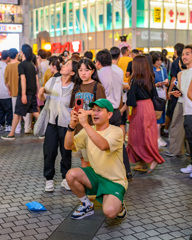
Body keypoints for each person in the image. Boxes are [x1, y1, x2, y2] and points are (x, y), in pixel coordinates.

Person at [64, 98, 128, 220]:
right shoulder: (89, 129)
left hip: (115, 181)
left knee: (110, 212)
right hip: (96, 176)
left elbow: (103, 145)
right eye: (93, 110)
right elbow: (68, 146)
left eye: (99, 110)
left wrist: (85, 124)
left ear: (109, 114)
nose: (95, 113)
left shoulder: (117, 131)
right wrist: (71, 126)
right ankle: (86, 205)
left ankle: (119, 205)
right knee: (71, 175)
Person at [38, 59, 78, 192]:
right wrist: (40, 94)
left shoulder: (75, 87)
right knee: (49, 151)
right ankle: (49, 179)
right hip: (52, 122)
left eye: (67, 65)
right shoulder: (53, 81)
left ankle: (66, 178)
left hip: (66, 123)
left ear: (72, 72)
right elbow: (44, 99)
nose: (63, 66)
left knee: (66, 152)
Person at [96, 49, 132, 180]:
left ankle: (107, 173)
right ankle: (126, 171)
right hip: (116, 110)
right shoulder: (118, 73)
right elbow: (122, 93)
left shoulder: (98, 75)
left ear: (98, 62)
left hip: (104, 111)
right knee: (118, 143)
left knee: (102, 143)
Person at [125, 55, 165, 173]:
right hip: (149, 107)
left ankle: (151, 160)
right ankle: (143, 163)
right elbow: (153, 94)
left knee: (136, 136)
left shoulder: (135, 80)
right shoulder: (150, 77)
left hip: (140, 109)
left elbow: (131, 100)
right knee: (146, 135)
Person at [69, 58, 106, 167]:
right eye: (80, 70)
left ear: (93, 71)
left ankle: (93, 182)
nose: (83, 73)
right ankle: (87, 182)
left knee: (93, 161)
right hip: (78, 129)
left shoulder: (97, 87)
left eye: (86, 70)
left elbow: (102, 110)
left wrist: (87, 113)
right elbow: (73, 106)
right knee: (83, 160)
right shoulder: (76, 86)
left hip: (92, 129)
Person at [1, 44, 39, 140]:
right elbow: (36, 79)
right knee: (35, 112)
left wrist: (23, 94)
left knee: (17, 114)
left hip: (24, 93)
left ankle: (11, 134)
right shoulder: (31, 64)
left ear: (23, 52)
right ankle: (47, 130)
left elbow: (23, 79)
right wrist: (38, 92)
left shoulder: (21, 64)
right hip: (32, 93)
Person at [171, 45, 192, 179]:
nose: (184, 57)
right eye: (183, 54)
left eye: (188, 54)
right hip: (186, 110)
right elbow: (185, 93)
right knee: (190, 139)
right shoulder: (183, 74)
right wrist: (178, 93)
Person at [165, 59, 188, 157]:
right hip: (188, 103)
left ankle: (175, 150)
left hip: (182, 102)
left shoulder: (181, 74)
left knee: (175, 126)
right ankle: (188, 150)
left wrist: (171, 92)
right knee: (188, 128)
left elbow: (181, 89)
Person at [164, 43, 185, 137]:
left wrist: (169, 92)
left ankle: (166, 130)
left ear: (175, 51)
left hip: (176, 90)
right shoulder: (185, 60)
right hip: (184, 91)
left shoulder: (176, 62)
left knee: (170, 111)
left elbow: (173, 78)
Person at [152, 52, 169, 148]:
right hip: (155, 96)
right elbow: (149, 84)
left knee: (161, 116)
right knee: (156, 116)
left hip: (162, 95)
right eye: (157, 60)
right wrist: (156, 85)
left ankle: (158, 137)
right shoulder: (151, 70)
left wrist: (165, 83)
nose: (159, 62)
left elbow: (167, 80)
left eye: (160, 60)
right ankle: (156, 138)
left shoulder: (164, 69)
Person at [0, 50, 12, 131]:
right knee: (9, 110)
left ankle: (1, 124)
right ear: (7, 57)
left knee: (0, 110)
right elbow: (7, 81)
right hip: (6, 92)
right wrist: (10, 90)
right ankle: (8, 125)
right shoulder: (6, 67)